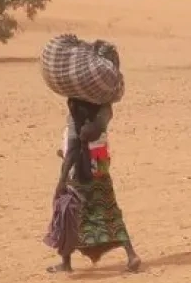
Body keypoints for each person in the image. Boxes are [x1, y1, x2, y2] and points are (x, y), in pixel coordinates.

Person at [45, 98, 141, 273]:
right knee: (109, 212)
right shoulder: (100, 118)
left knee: (69, 214)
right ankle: (131, 254)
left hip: (79, 176)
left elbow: (74, 151)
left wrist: (62, 179)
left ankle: (66, 262)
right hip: (100, 172)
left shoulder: (76, 120)